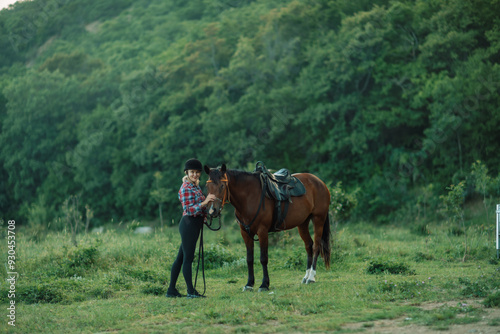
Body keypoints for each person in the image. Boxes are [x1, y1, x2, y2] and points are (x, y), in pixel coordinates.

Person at [166, 158, 216, 298]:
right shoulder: (186, 188)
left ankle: (171, 290)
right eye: (192, 172)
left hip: (194, 224)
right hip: (189, 224)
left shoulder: (195, 187)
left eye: (197, 172)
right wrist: (205, 202)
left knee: (180, 258)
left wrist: (209, 210)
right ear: (187, 173)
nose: (195, 174)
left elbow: (200, 207)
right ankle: (190, 291)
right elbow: (189, 209)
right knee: (188, 258)